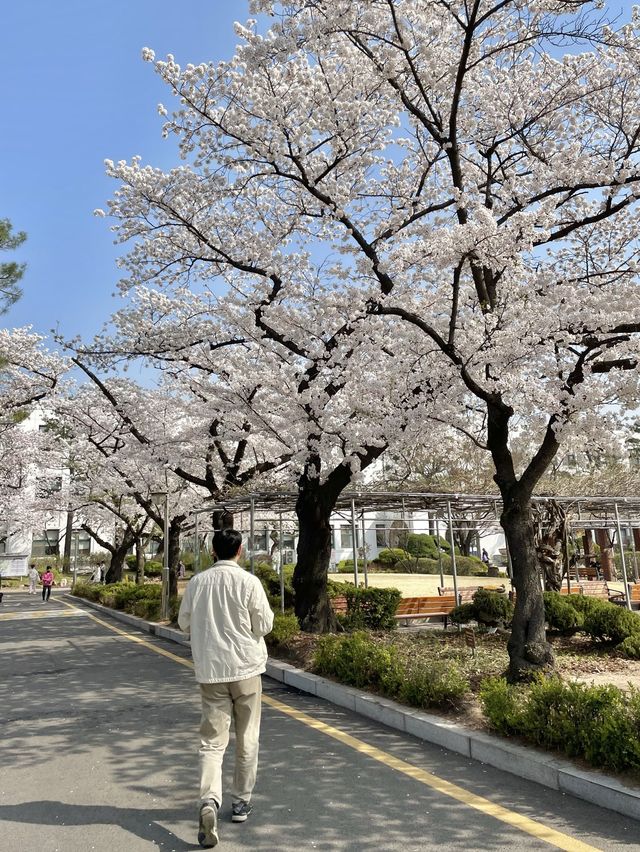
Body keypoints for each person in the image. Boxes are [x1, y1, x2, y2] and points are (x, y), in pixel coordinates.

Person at [178, 528, 273, 849]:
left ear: (212, 552)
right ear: (241, 551)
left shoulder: (197, 582)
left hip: (211, 671)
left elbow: (184, 623)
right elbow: (264, 625)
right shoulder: (249, 582)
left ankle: (209, 800)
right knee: (248, 737)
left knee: (211, 742)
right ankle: (241, 801)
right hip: (246, 669)